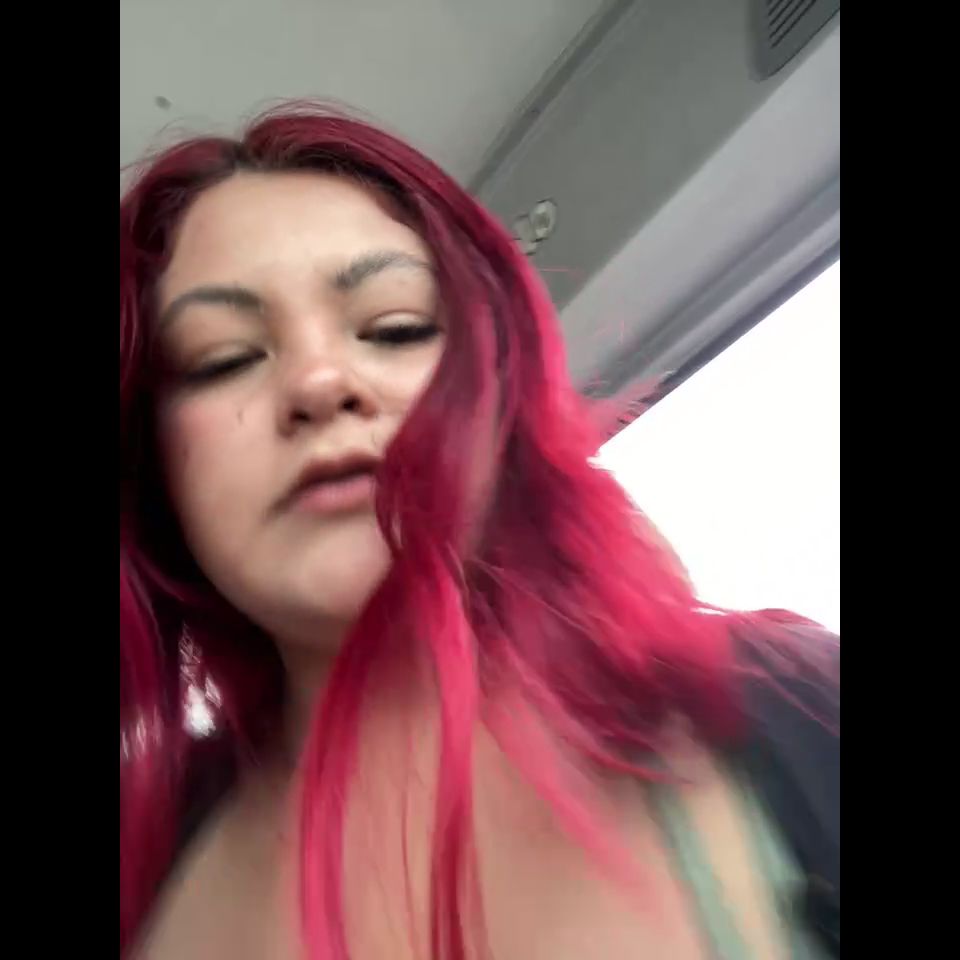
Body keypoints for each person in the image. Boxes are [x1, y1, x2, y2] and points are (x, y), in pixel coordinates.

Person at [120, 104, 839, 960]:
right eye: (223, 357)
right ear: (157, 469)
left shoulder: (793, 702)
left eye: (396, 327)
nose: (319, 381)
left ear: (504, 402)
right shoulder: (145, 855)